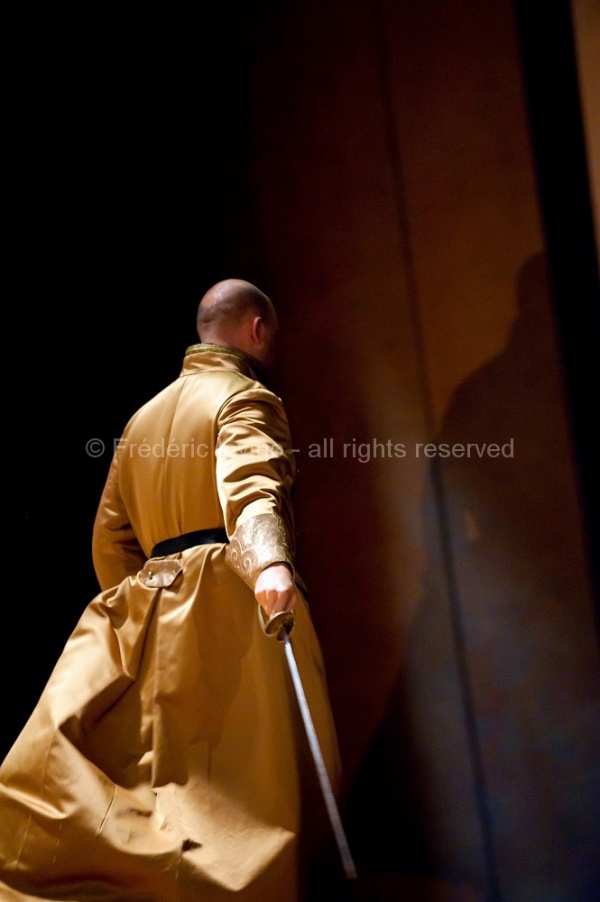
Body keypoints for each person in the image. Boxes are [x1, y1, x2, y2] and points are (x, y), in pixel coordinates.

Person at [0, 279, 342, 901]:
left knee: (158, 796)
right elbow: (252, 481)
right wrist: (269, 564)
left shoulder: (142, 418)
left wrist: (145, 606)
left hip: (145, 607)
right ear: (258, 330)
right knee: (244, 805)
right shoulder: (245, 396)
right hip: (232, 604)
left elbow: (109, 538)